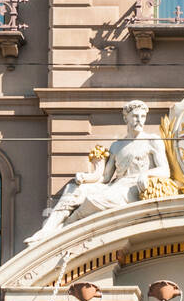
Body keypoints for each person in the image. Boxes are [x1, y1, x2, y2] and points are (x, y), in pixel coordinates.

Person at [29, 99, 171, 241]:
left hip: (133, 189)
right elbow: (105, 177)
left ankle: (65, 229)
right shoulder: (117, 146)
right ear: (125, 118)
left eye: (142, 116)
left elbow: (165, 170)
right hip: (116, 185)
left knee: (93, 200)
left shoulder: (152, 140)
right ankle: (47, 231)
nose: (139, 120)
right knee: (75, 190)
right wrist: (85, 178)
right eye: (135, 116)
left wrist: (146, 174)